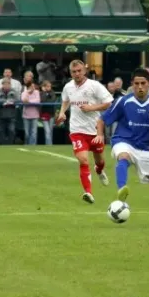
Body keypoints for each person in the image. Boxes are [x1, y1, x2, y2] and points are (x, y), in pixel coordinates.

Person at [95, 68, 149, 226]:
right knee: (124, 157)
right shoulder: (123, 101)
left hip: (145, 149)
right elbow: (102, 120)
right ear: (132, 85)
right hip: (123, 141)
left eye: (143, 83)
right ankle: (122, 189)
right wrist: (100, 135)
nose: (140, 86)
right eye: (136, 84)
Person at [56, 60, 113, 203]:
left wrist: (91, 108)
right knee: (83, 159)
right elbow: (65, 100)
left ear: (84, 71)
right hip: (77, 130)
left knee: (100, 161)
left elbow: (108, 103)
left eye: (79, 71)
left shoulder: (95, 86)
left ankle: (99, 170)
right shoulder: (68, 87)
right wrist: (62, 112)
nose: (77, 74)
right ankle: (88, 192)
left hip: (94, 130)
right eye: (74, 72)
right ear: (70, 73)